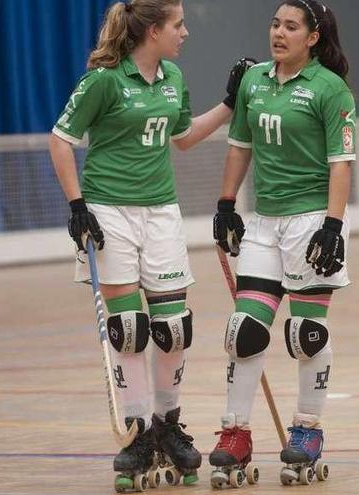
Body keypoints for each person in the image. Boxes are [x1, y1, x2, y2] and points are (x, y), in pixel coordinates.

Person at [48, 0, 252, 490]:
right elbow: (60, 140)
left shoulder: (172, 81)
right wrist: (78, 207)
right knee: (128, 327)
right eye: (178, 25)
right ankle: (139, 432)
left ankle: (168, 422)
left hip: (160, 212)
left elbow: (182, 138)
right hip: (108, 212)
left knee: (174, 327)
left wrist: (229, 102)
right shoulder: (103, 81)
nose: (185, 34)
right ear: (153, 30)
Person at [208, 0, 355, 487]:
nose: (279, 32)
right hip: (265, 223)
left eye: (291, 26)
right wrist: (227, 204)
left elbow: (341, 163)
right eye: (275, 23)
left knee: (305, 334)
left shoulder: (330, 90)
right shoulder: (253, 83)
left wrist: (332, 227)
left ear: (312, 37)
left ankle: (307, 430)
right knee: (245, 329)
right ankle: (235, 433)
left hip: (313, 220)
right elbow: (240, 146)